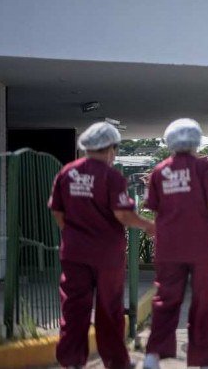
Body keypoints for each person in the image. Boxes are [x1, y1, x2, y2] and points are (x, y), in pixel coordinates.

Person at [49, 122, 155, 369]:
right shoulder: (111, 177)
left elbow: (57, 212)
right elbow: (123, 214)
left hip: (75, 252)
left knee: (74, 309)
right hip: (106, 256)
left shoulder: (67, 173)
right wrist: (148, 226)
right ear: (110, 148)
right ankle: (115, 362)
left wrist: (76, 234)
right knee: (109, 311)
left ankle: (71, 362)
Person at [143, 118, 208, 369]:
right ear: (197, 140)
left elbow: (155, 209)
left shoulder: (160, 171)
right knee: (205, 302)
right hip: (202, 248)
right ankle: (205, 362)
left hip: (169, 248)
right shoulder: (205, 170)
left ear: (169, 141)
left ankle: (152, 357)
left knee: (165, 300)